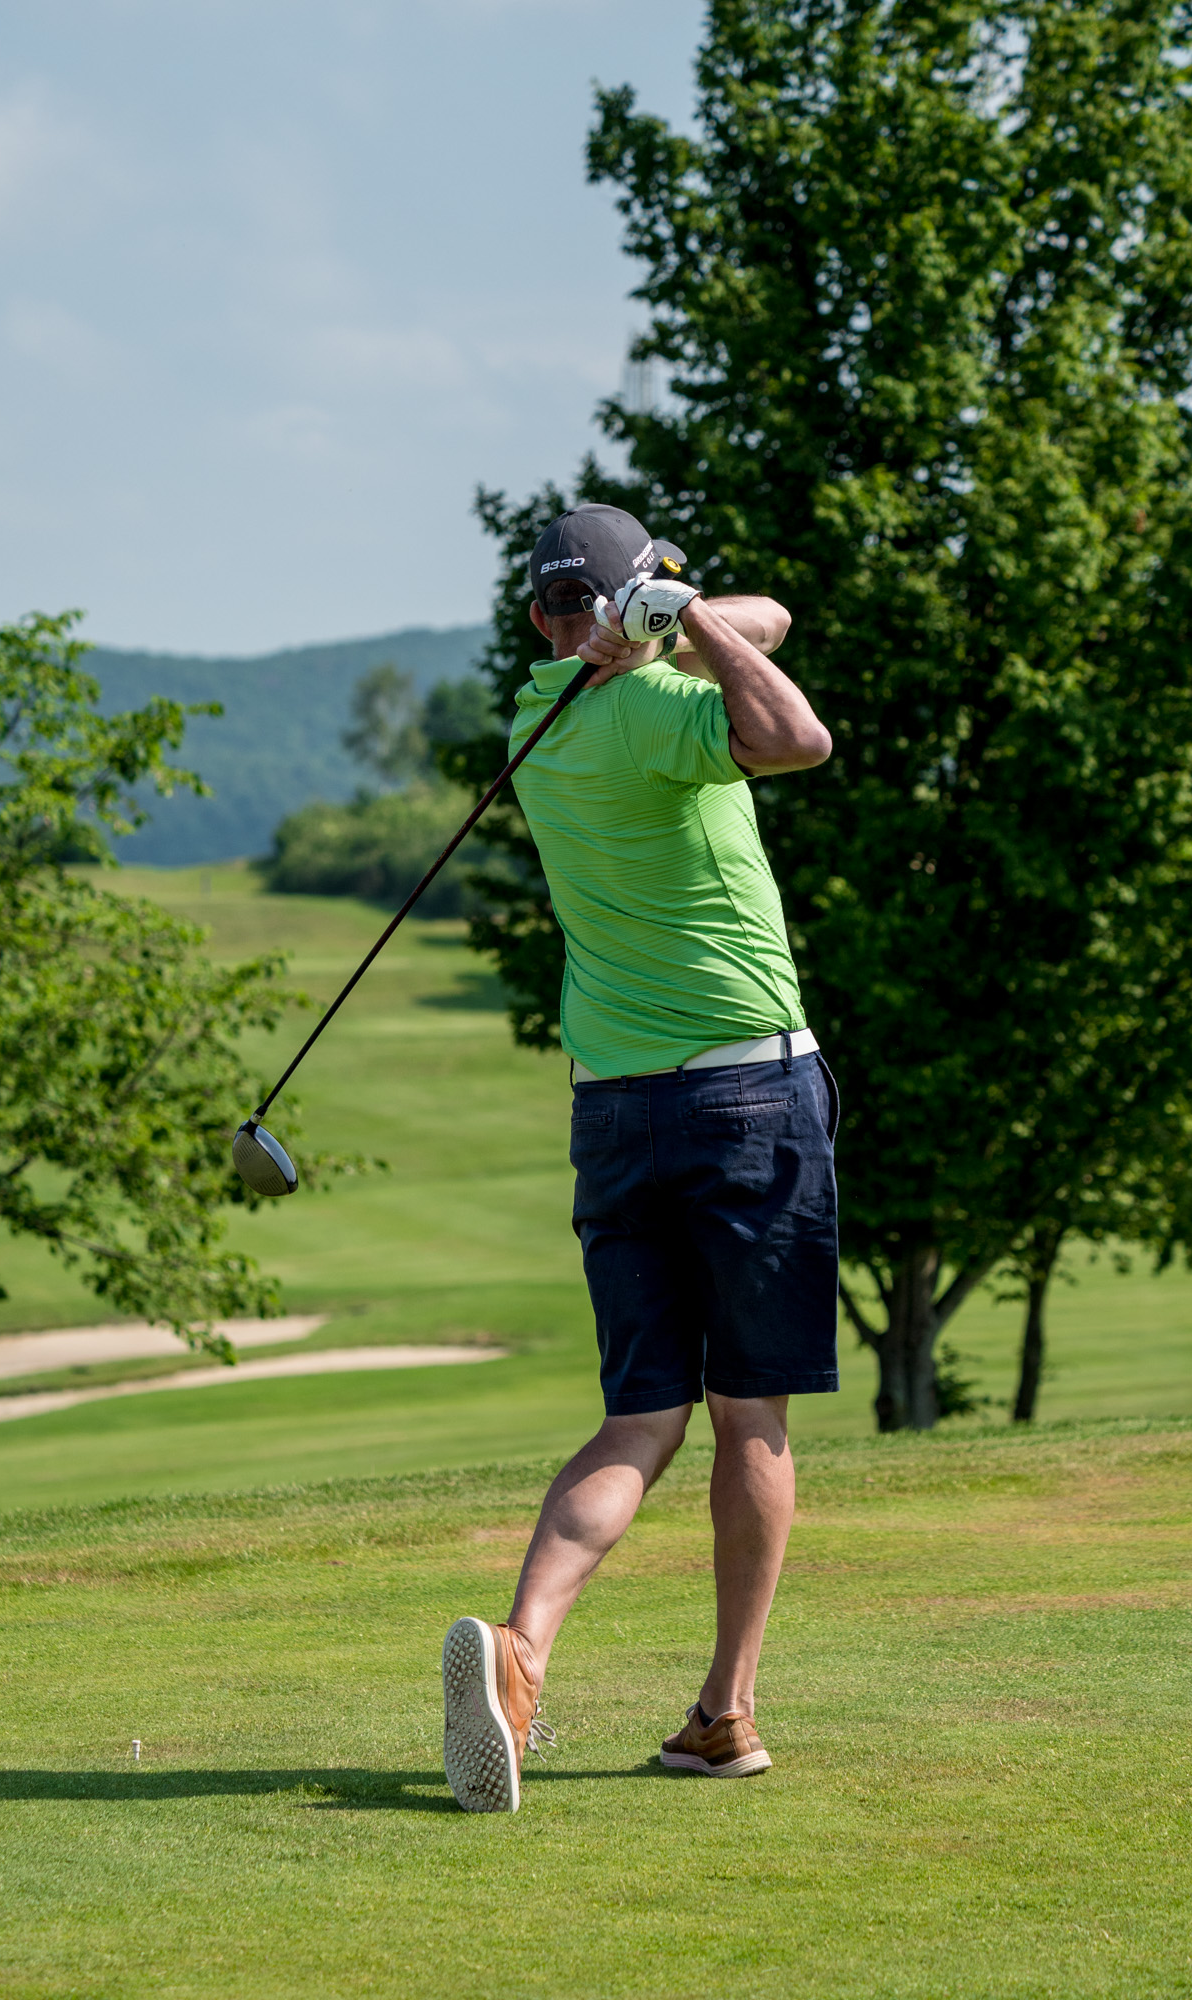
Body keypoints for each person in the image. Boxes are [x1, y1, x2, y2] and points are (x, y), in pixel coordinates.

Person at [441, 503, 837, 1814]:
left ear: (543, 616)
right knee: (750, 1415)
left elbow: (771, 618)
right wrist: (679, 622)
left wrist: (670, 618)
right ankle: (725, 1713)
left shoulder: (534, 715)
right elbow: (797, 737)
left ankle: (521, 1651)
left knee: (640, 1416)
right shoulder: (663, 711)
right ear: (628, 605)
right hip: (749, 1094)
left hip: (614, 1109)